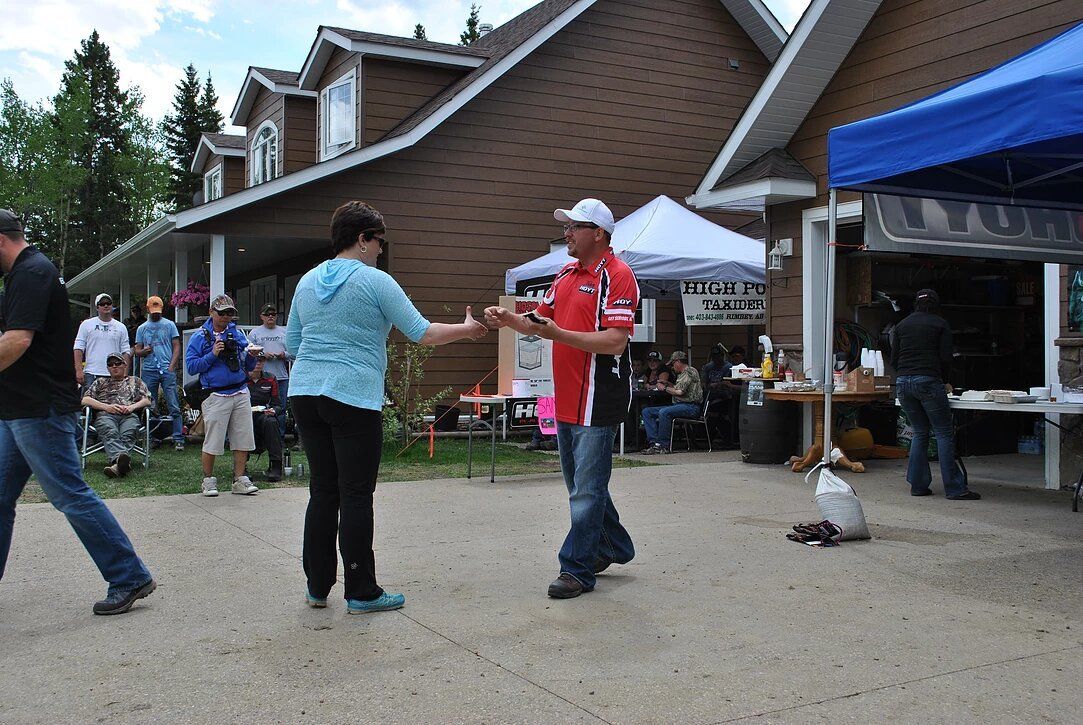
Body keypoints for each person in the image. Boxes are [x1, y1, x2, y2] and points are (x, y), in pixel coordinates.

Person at [287, 200, 487, 614]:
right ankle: (361, 591)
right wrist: (467, 329)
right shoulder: (375, 281)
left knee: (322, 490)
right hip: (353, 396)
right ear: (362, 239)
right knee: (356, 494)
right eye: (379, 241)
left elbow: (292, 344)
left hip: (304, 393)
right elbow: (421, 332)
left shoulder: (307, 281)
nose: (381, 249)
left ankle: (317, 586)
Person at [0, 209, 155, 615]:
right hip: (16, 408)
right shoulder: (19, 276)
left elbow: (16, 341)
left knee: (69, 493)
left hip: (41, 409)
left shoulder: (33, 272)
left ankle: (129, 575)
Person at [485, 197, 639, 600]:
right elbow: (538, 322)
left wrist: (558, 334)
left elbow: (615, 342)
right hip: (567, 396)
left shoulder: (619, 275)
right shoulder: (566, 273)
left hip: (598, 398)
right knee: (582, 486)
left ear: (599, 234)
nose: (566, 233)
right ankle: (613, 547)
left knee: (585, 490)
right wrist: (509, 320)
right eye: (566, 227)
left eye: (574, 227)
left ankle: (576, 570)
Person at [891, 288, 980, 500]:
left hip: (903, 382)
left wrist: (905, 374)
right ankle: (955, 488)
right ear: (936, 305)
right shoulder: (940, 324)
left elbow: (894, 357)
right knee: (943, 432)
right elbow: (946, 357)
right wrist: (946, 380)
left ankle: (918, 485)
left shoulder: (902, 325)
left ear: (916, 304)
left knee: (920, 432)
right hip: (928, 380)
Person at [185, 293, 260, 498]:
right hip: (216, 394)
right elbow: (191, 366)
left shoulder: (237, 335)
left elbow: (248, 364)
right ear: (211, 312)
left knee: (243, 437)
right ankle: (208, 480)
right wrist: (213, 354)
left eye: (229, 313)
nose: (226, 317)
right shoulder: (200, 337)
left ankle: (239, 479)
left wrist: (253, 357)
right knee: (214, 440)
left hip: (240, 390)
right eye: (222, 313)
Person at [82, 352, 153, 478]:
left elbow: (147, 399)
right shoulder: (100, 382)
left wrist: (131, 407)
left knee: (129, 433)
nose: (114, 366)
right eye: (110, 364)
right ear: (108, 368)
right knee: (110, 431)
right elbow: (85, 400)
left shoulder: (135, 381)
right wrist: (107, 407)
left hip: (129, 415)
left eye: (117, 363)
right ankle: (121, 463)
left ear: (124, 365)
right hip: (105, 415)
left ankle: (117, 465)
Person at [133, 295, 185, 451]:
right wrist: (143, 351)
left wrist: (172, 366)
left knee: (173, 404)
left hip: (166, 369)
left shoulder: (169, 325)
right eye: (153, 310)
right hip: (149, 370)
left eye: (158, 310)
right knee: (150, 404)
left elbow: (176, 346)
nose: (156, 313)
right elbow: (136, 350)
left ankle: (178, 437)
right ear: (148, 309)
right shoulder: (142, 328)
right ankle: (153, 437)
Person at [640, 351, 703, 454]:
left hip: (691, 407)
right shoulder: (682, 374)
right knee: (647, 412)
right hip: (679, 405)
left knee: (664, 412)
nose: (672, 367)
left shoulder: (689, 372)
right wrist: (668, 384)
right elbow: (678, 388)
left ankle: (663, 445)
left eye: (673, 364)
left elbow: (679, 392)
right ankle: (654, 443)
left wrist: (664, 388)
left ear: (678, 361)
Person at [248, 303, 292, 440]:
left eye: (273, 314)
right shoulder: (255, 333)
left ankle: (279, 437)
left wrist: (283, 354)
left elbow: (294, 352)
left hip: (281, 376)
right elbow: (248, 353)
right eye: (267, 314)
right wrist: (262, 354)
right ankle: (259, 437)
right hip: (261, 377)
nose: (271, 317)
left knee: (280, 408)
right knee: (257, 407)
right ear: (262, 316)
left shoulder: (284, 332)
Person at [74, 292, 130, 391]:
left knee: (114, 404)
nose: (106, 305)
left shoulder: (121, 327)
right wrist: (79, 370)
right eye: (102, 304)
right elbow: (78, 347)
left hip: (115, 374)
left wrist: (124, 373)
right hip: (91, 373)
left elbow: (126, 351)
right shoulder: (86, 324)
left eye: (108, 303)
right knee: (89, 404)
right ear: (97, 307)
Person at [246, 358, 285, 482]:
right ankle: (241, 467)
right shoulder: (241, 378)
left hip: (262, 413)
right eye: (255, 360)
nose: (258, 363)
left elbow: (278, 404)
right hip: (243, 413)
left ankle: (276, 466)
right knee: (243, 424)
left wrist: (273, 411)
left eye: (261, 361)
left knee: (271, 422)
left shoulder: (270, 378)